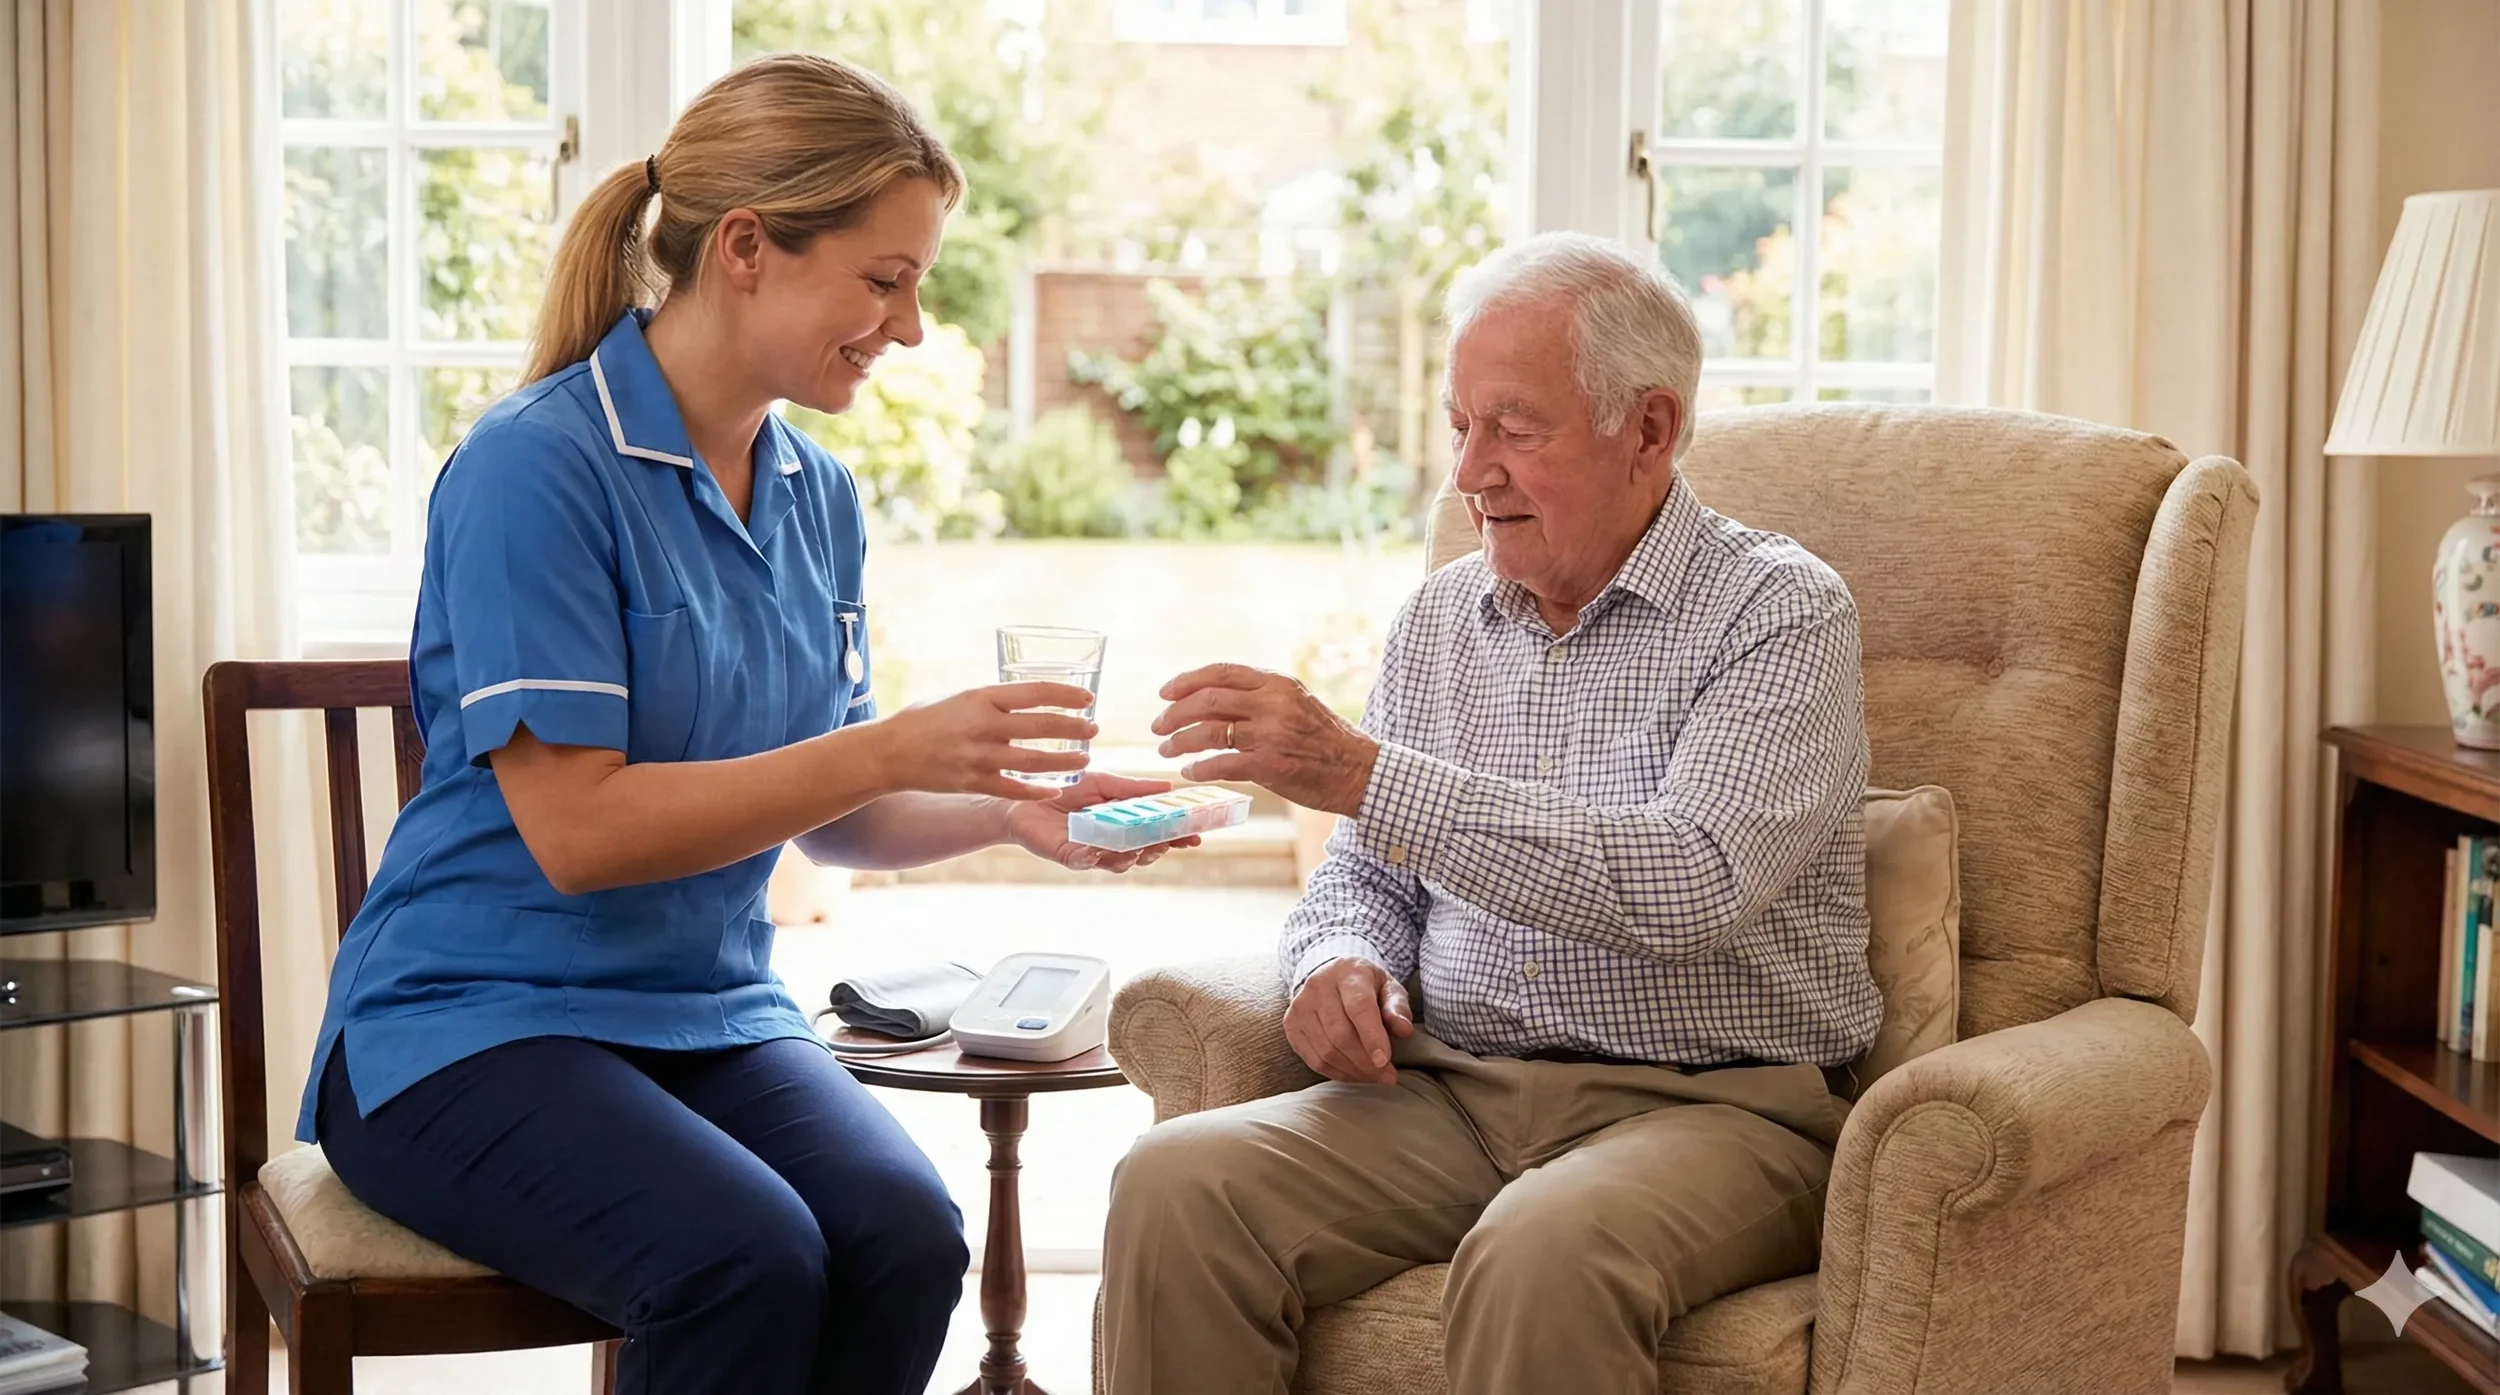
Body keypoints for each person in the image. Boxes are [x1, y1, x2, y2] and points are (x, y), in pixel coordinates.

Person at [299, 53, 1190, 1395]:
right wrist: (888, 744)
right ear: (747, 249)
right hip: (463, 1028)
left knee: (901, 1234)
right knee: (744, 1255)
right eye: (884, 280)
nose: (912, 325)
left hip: (705, 1014)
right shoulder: (534, 468)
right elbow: (580, 832)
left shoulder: (815, 494)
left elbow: (838, 816)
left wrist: (1012, 811)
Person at [1102, 232, 1885, 1394]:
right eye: (1460, 425)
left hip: (1717, 1110)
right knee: (1175, 1186)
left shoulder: (1777, 614)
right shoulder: (1442, 619)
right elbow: (1366, 878)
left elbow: (1692, 881)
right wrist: (1341, 960)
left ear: (1650, 431)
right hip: (1452, 1094)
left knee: (1545, 1252)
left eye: (1514, 429)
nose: (1471, 472)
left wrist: (1361, 773)